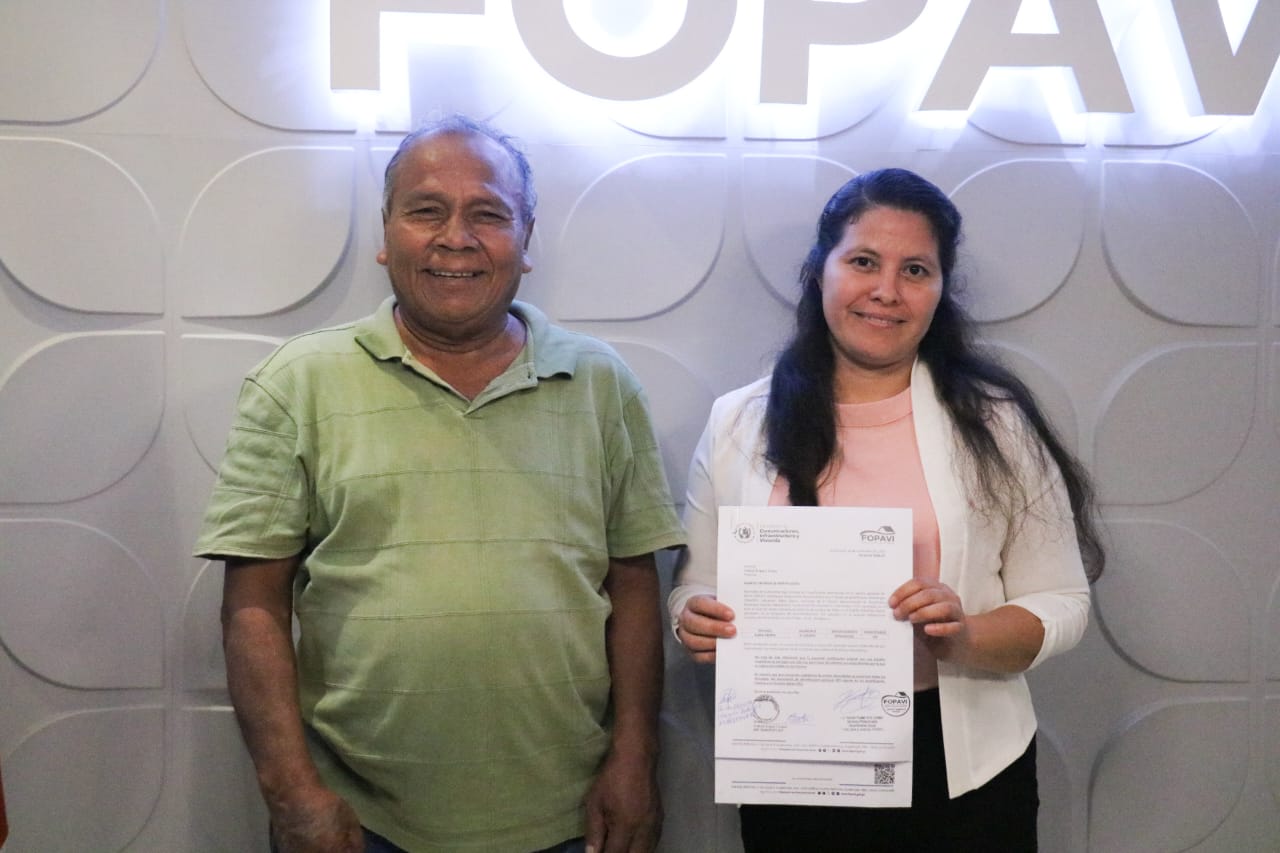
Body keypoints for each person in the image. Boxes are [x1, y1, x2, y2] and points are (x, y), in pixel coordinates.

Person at [195, 114, 686, 853]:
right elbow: (254, 606)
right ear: (386, 232)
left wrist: (636, 759)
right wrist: (292, 793)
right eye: (427, 210)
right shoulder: (295, 383)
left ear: (525, 239)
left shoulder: (600, 383)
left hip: (568, 819)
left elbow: (635, 585)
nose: (456, 237)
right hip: (362, 823)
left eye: (488, 214)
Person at [669, 168, 1104, 852]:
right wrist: (691, 615)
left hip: (964, 772)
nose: (887, 291)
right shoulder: (739, 421)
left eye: (916, 270)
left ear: (940, 289)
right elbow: (696, 584)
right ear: (820, 271)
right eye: (864, 262)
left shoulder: (995, 423)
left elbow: (1063, 600)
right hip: (792, 759)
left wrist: (965, 635)